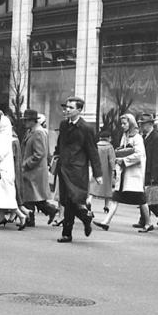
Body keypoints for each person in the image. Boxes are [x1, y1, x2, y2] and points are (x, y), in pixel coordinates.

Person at [52, 96, 102, 243]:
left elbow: (92, 151)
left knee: (73, 200)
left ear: (79, 110)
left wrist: (98, 173)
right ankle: (80, 222)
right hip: (63, 168)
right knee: (66, 201)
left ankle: (74, 227)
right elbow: (60, 143)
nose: (66, 110)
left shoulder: (86, 128)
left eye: (70, 108)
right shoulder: (63, 125)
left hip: (77, 171)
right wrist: (55, 157)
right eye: (66, 107)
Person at [98, 113, 146, 232]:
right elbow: (122, 150)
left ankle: (149, 223)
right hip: (125, 173)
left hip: (133, 174)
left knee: (141, 200)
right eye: (122, 123)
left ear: (131, 123)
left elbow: (139, 155)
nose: (123, 125)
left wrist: (123, 160)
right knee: (116, 198)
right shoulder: (124, 136)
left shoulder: (137, 138)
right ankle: (106, 221)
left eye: (125, 123)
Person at [18, 109, 58, 229]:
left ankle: (33, 217)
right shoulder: (33, 131)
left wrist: (25, 164)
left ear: (32, 121)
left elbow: (39, 154)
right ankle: (46, 212)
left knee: (30, 195)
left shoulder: (38, 132)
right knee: (32, 196)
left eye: (26, 121)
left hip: (34, 171)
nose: (24, 123)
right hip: (33, 170)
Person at [137, 114, 158, 228]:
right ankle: (155, 213)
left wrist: (155, 176)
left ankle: (147, 218)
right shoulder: (144, 137)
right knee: (144, 196)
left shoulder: (156, 138)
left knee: (145, 196)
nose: (141, 126)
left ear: (150, 124)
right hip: (144, 169)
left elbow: (157, 159)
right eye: (140, 124)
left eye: (143, 124)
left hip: (151, 171)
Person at [89, 131, 116, 215]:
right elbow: (112, 160)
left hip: (96, 169)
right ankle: (106, 206)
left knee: (93, 187)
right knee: (107, 188)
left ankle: (89, 200)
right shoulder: (109, 147)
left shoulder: (96, 146)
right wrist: (114, 169)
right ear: (108, 138)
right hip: (106, 171)